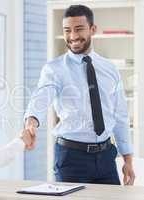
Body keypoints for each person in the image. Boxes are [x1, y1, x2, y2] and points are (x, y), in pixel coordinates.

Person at [24, 5, 135, 185]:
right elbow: (41, 96)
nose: (73, 36)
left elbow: (120, 116)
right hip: (71, 158)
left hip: (106, 156)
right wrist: (31, 121)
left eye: (79, 29)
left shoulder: (110, 69)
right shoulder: (54, 69)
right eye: (67, 30)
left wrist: (127, 159)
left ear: (93, 29)